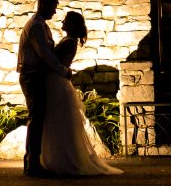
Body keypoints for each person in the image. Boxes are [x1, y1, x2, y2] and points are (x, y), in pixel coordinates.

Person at [40, 11, 122, 176]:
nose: (62, 22)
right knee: (57, 121)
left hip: (57, 81)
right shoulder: (69, 41)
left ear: (70, 24)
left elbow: (54, 60)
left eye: (65, 20)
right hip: (56, 80)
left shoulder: (70, 42)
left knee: (59, 121)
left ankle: (64, 160)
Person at [17, 0, 71, 177]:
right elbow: (45, 55)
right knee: (36, 119)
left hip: (35, 76)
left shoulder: (41, 25)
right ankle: (32, 163)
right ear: (44, 5)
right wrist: (63, 70)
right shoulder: (36, 27)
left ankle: (32, 161)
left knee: (37, 119)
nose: (55, 12)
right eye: (53, 7)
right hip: (31, 76)